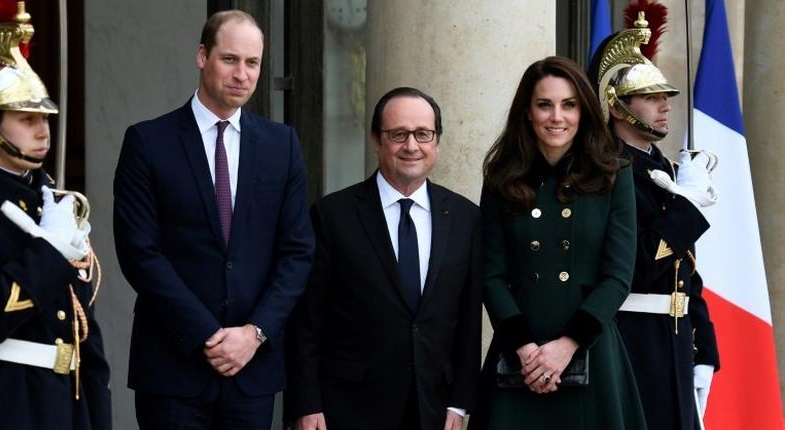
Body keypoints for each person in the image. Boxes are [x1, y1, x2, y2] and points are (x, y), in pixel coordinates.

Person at [113, 9, 315, 429]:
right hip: (172, 367)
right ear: (202, 56)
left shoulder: (283, 145)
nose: (242, 73)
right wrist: (209, 334)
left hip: (251, 370)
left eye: (253, 62)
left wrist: (254, 333)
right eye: (230, 59)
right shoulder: (148, 142)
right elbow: (139, 253)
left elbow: (297, 252)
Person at [284, 87, 482, 430]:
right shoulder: (332, 216)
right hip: (347, 409)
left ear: (436, 142)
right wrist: (306, 403)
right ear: (376, 140)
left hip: (432, 409)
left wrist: (461, 403)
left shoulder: (465, 218)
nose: (411, 146)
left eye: (423, 134)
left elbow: (468, 321)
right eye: (398, 134)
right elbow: (307, 321)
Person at [470, 56, 646, 430]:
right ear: (527, 112)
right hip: (519, 355)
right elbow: (491, 274)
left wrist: (567, 346)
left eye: (569, 105)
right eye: (544, 104)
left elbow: (618, 276)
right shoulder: (502, 177)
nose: (557, 117)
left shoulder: (614, 175)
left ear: (583, 111)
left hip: (590, 353)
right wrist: (526, 351)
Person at [590, 16, 720, 430]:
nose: (665, 105)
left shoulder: (661, 167)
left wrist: (706, 347)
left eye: (665, 95)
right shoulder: (609, 171)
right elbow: (641, 264)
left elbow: (686, 269)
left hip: (675, 338)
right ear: (617, 106)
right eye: (650, 96)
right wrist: (687, 206)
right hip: (633, 338)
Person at [0, 5, 112, 429]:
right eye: (26, 120)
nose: (43, 130)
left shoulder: (55, 203)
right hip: (9, 402)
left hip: (65, 404)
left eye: (44, 118)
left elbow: (85, 337)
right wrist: (48, 252)